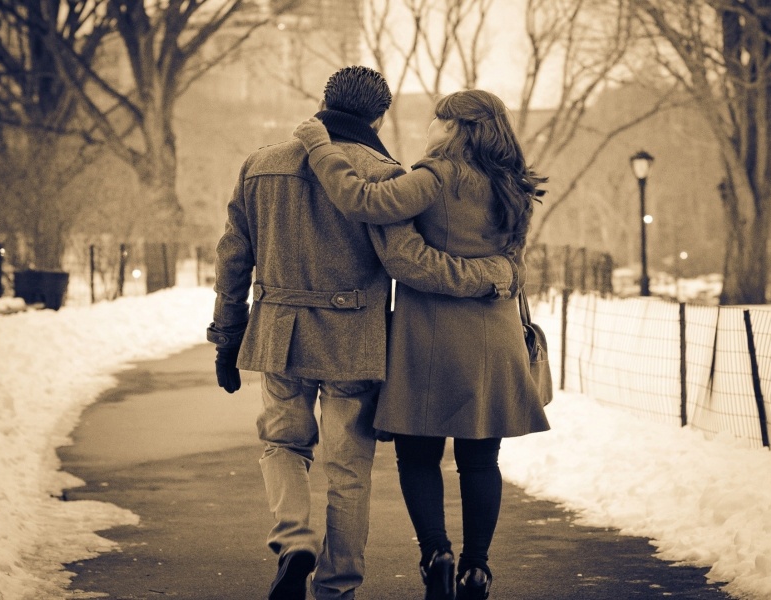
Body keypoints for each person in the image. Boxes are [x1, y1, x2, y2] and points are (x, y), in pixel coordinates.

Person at [207, 67, 517, 600]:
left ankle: (294, 537)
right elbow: (406, 261)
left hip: (280, 331)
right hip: (354, 338)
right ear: (379, 116)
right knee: (349, 469)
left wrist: (227, 333)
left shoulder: (260, 165)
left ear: (325, 101)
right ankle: (338, 585)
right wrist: (494, 273)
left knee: (281, 442)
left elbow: (234, 256)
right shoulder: (386, 172)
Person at [294, 89, 551, 600]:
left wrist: (319, 146)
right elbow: (512, 263)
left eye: (438, 118)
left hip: (429, 338)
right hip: (494, 338)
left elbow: (363, 201)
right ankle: (477, 569)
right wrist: (493, 275)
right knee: (482, 461)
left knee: (418, 457)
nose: (431, 126)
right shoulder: (512, 184)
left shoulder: (435, 177)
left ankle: (437, 552)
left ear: (455, 127)